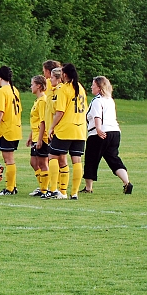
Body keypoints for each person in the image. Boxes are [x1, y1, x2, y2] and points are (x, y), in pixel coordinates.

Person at [83, 76, 133, 194]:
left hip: (99, 133)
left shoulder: (97, 100)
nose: (91, 87)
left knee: (91, 159)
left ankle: (88, 188)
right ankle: (126, 182)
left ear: (99, 88)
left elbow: (97, 116)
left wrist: (99, 129)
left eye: (93, 85)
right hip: (115, 132)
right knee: (113, 158)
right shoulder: (110, 99)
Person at [46, 63, 87, 200]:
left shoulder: (64, 89)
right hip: (80, 129)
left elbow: (60, 111)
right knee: (76, 160)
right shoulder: (81, 88)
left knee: (52, 156)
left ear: (64, 74)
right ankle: (74, 193)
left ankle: (53, 190)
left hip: (65, 129)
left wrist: (51, 127)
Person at [0, 66, 22, 195]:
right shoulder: (14, 90)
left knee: (8, 159)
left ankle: (10, 188)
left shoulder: (2, 91)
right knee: (10, 159)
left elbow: (0, 112)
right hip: (16, 127)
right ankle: (12, 186)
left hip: (8, 129)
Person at [41, 67, 64, 198]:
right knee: (56, 158)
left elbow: (59, 111)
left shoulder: (60, 91)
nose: (49, 80)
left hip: (58, 129)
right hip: (53, 128)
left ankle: (58, 189)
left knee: (56, 158)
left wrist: (52, 127)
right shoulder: (53, 90)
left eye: (52, 78)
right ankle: (57, 189)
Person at [26, 75, 50, 197]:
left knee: (42, 163)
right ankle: (42, 186)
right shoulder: (37, 100)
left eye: (32, 84)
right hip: (35, 135)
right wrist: (31, 135)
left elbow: (43, 121)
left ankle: (45, 189)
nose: (31, 86)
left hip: (42, 137)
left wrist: (40, 139)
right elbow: (35, 121)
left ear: (39, 86)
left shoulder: (43, 101)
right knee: (33, 162)